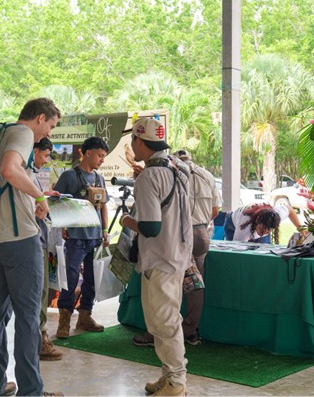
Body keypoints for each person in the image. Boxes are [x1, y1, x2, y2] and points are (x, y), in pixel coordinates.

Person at [0, 97, 62, 397]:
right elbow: (11, 170)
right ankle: (31, 390)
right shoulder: (23, 134)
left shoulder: (1, 132)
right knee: (28, 317)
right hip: (19, 239)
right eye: (50, 126)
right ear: (40, 118)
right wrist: (39, 198)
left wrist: (35, 192)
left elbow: (8, 179)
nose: (48, 134)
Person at [119, 116, 193, 396]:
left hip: (161, 258)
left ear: (141, 141)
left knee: (165, 323)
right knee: (164, 321)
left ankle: (175, 382)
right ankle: (169, 375)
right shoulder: (177, 168)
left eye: (133, 141)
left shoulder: (150, 176)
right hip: (175, 254)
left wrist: (128, 221)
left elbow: (150, 227)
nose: (132, 146)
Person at [132, 149, 222, 348]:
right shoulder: (206, 175)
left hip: (177, 235)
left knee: (166, 283)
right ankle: (191, 331)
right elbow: (216, 210)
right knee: (195, 284)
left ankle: (156, 333)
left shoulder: (173, 173)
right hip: (201, 234)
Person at [54, 136, 110, 338]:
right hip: (76, 237)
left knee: (92, 279)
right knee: (69, 277)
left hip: (95, 237)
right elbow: (56, 200)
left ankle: (85, 316)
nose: (102, 160)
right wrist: (62, 224)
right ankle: (64, 320)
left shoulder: (99, 178)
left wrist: (104, 230)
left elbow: (103, 206)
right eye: (100, 156)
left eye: (104, 157)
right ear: (88, 153)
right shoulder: (69, 176)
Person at [30, 138, 63, 361]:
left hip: (38, 238)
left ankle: (39, 336)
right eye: (45, 155)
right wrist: (38, 208)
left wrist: (45, 198)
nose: (47, 160)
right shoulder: (24, 172)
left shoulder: (28, 173)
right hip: (32, 240)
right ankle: (40, 339)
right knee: (38, 292)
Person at [224, 202, 304, 243]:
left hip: (257, 221)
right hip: (232, 224)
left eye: (268, 230)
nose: (265, 232)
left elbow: (290, 209)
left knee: (266, 253)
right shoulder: (244, 227)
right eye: (262, 229)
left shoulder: (275, 216)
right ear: (257, 222)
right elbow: (236, 252)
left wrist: (301, 229)